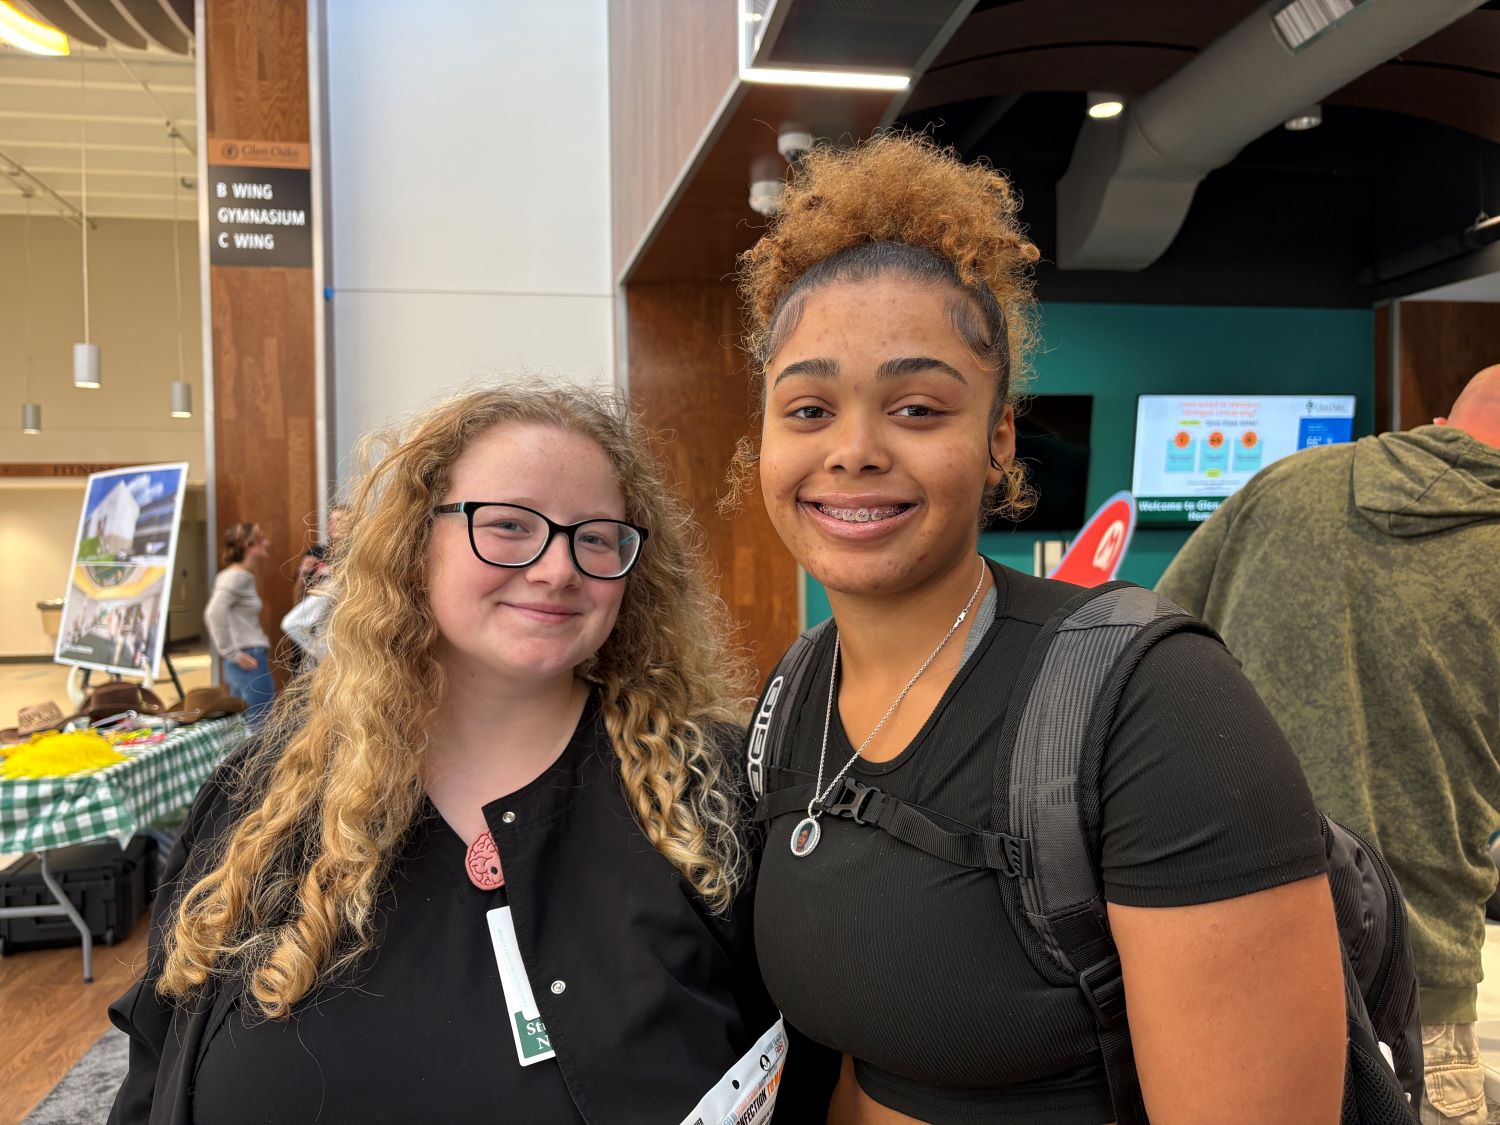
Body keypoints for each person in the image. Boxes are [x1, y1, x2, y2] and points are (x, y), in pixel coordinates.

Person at [735, 134, 1347, 1123]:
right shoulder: (794, 697)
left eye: (918, 407)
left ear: (998, 440)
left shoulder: (1152, 705)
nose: (852, 450)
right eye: (808, 407)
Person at [109, 384, 790, 1125]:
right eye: (507, 525)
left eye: (596, 536)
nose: (558, 568)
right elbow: (154, 1070)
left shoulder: (711, 797)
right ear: (413, 540)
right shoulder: (258, 806)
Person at [1158, 365, 1500, 1125]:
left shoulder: (1282, 485)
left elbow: (1148, 644)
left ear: (1439, 423)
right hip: (1422, 973)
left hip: (1219, 931)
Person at [203, 521, 274, 728]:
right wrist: (231, 652)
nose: (267, 543)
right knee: (260, 727)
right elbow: (214, 612)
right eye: (262, 540)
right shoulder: (236, 577)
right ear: (248, 545)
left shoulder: (237, 576)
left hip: (243, 661)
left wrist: (231, 654)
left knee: (246, 728)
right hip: (249, 660)